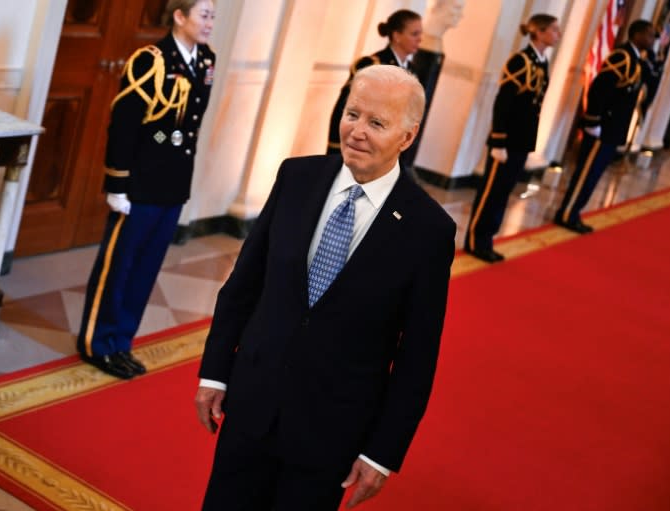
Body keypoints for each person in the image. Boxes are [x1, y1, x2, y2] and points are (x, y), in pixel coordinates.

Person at [196, 65, 456, 511]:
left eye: (376, 123)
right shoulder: (296, 177)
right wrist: (215, 372)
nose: (356, 131)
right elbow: (243, 286)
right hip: (251, 405)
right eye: (353, 113)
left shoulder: (428, 229)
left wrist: (382, 452)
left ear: (406, 138)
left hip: (330, 433)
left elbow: (417, 356)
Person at [76, 0, 215, 380]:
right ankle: (97, 343)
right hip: (138, 185)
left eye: (213, 16)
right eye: (204, 15)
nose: (210, 23)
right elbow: (125, 125)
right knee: (118, 267)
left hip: (171, 186)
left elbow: (188, 129)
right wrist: (117, 183)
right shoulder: (151, 60)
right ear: (180, 16)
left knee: (144, 270)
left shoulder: (205, 61)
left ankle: (121, 342)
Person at [464, 14, 561, 263]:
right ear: (537, 32)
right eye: (552, 29)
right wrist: (498, 141)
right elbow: (503, 103)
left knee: (504, 191)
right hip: (506, 141)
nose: (557, 34)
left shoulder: (541, 62)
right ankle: (476, 240)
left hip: (521, 141)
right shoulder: (521, 61)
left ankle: (488, 239)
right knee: (492, 192)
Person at [554, 19, 656, 234]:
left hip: (613, 130)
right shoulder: (622, 57)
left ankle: (573, 211)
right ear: (636, 35)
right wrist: (593, 121)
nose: (652, 39)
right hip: (602, 128)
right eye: (648, 35)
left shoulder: (638, 60)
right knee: (586, 174)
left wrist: (654, 60)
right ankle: (567, 213)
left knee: (594, 174)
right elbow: (598, 90)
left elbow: (650, 83)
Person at [326, 9, 422, 154]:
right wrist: (337, 147)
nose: (420, 39)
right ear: (397, 36)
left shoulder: (412, 71)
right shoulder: (372, 64)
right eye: (414, 34)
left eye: (420, 34)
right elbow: (345, 107)